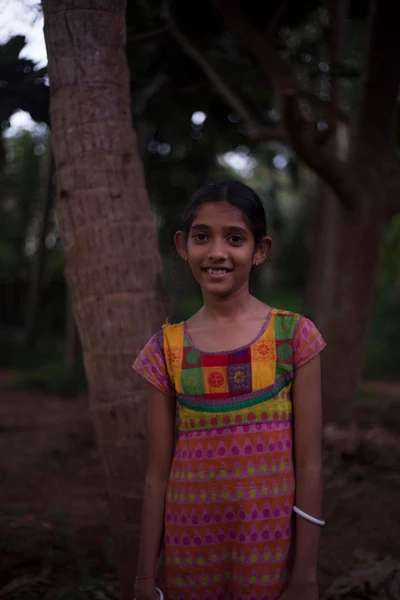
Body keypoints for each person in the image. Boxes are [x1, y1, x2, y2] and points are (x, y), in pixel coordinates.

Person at [133, 180, 326, 600]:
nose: (217, 252)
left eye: (235, 238)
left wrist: (306, 576)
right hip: (188, 555)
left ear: (260, 250)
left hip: (271, 556)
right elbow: (156, 473)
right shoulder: (164, 350)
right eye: (203, 237)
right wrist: (145, 578)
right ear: (183, 246)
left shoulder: (294, 337)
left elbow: (309, 464)